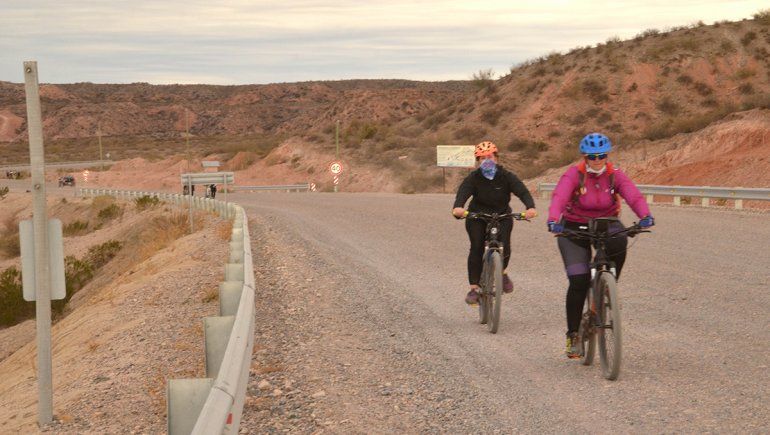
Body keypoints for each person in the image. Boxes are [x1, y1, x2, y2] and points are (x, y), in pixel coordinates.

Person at [546, 133, 654, 358]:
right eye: (592, 156)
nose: (597, 160)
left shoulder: (615, 175)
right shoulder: (573, 175)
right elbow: (559, 197)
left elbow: (633, 196)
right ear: (585, 157)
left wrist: (645, 215)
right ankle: (573, 335)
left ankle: (606, 288)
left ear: (607, 155)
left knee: (620, 240)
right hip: (574, 227)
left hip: (607, 222)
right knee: (578, 280)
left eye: (602, 155)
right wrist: (553, 220)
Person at [452, 141, 538, 305]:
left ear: (496, 158)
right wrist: (458, 207)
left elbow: (522, 191)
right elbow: (463, 193)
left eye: (490, 157)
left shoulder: (506, 176)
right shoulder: (473, 178)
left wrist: (530, 207)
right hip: (477, 215)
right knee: (477, 246)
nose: (487, 160)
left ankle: (502, 272)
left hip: (502, 215)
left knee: (504, 244)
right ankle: (474, 288)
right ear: (478, 161)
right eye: (482, 158)